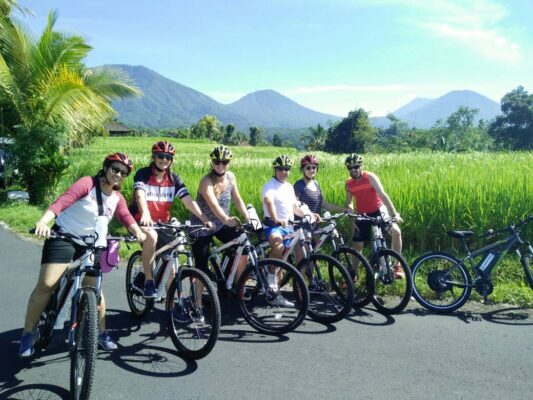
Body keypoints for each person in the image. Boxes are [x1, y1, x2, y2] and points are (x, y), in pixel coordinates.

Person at [19, 153, 147, 358]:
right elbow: (62, 202)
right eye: (115, 169)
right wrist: (43, 222)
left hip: (91, 245)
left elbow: (126, 217)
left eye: (123, 173)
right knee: (48, 283)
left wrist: (138, 232)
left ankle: (101, 333)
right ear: (106, 168)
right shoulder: (87, 183)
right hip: (64, 236)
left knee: (94, 289)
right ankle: (28, 333)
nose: (118, 175)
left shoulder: (117, 198)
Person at [129, 141, 213, 298]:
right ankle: (148, 281)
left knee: (171, 266)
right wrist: (145, 212)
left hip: (163, 222)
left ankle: (173, 306)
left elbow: (188, 201)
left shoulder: (174, 180)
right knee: (151, 237)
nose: (164, 160)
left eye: (168, 157)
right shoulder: (143, 174)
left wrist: (204, 219)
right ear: (154, 157)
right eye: (161, 156)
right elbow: (140, 194)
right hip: (142, 219)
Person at [261, 155, 319, 305]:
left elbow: (295, 207)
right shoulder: (269, 185)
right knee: (279, 248)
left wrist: (309, 214)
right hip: (273, 226)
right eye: (280, 169)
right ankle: (270, 273)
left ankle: (276, 296)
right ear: (275, 169)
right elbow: (268, 202)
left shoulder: (288, 187)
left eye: (287, 169)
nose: (284, 172)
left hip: (289, 227)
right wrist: (276, 218)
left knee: (284, 260)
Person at [190, 145, 250, 288]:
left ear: (229, 163)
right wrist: (227, 220)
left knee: (244, 247)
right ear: (212, 162)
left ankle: (238, 286)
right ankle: (197, 304)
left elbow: (237, 199)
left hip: (221, 224)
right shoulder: (206, 181)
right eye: (217, 162)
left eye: (224, 162)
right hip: (202, 226)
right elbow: (213, 205)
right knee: (201, 268)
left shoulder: (231, 177)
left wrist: (248, 217)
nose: (220, 165)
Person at [344, 153, 404, 278]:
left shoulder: (370, 177)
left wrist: (394, 214)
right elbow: (349, 202)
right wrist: (351, 216)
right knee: (357, 245)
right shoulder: (349, 184)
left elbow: (383, 195)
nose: (353, 170)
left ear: (362, 165)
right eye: (350, 168)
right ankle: (353, 274)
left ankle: (397, 266)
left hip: (378, 210)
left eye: (356, 166)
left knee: (396, 232)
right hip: (362, 214)